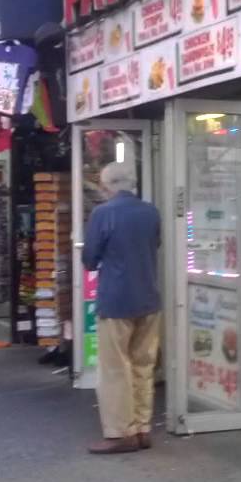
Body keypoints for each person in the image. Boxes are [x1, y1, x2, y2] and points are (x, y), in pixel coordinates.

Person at [82, 161, 160, 455]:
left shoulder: (103, 213)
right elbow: (156, 244)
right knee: (143, 364)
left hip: (116, 299)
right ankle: (142, 427)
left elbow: (90, 257)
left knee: (115, 368)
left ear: (108, 186)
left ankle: (119, 432)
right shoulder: (151, 212)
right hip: (149, 297)